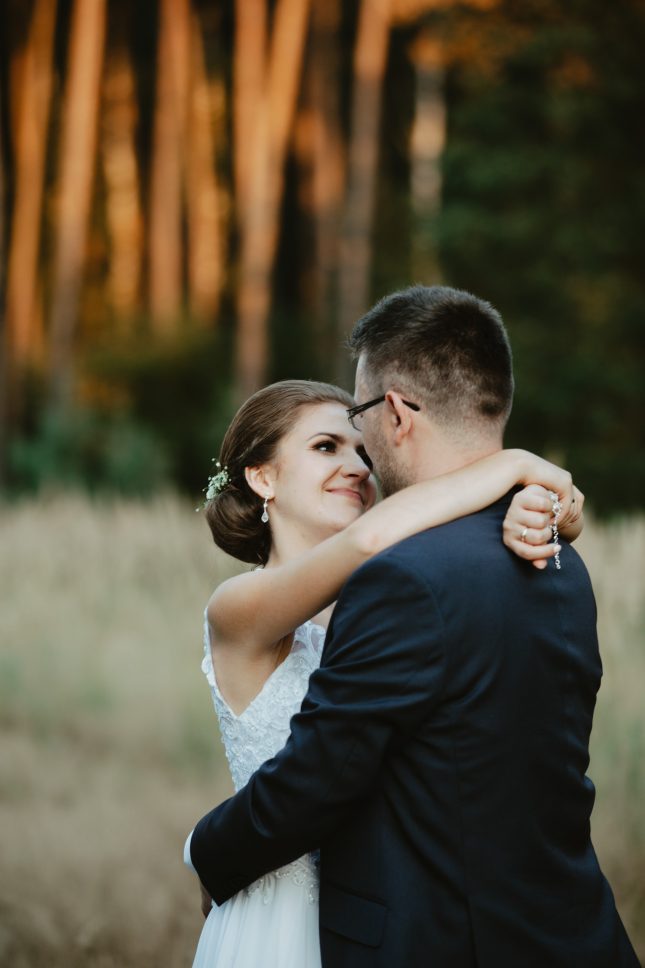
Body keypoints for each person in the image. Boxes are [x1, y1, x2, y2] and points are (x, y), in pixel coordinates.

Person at [185, 366, 586, 968]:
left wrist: (536, 506)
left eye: (362, 449)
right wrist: (512, 464)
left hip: (390, 915)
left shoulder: (392, 599)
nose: (358, 466)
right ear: (262, 476)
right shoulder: (238, 608)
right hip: (277, 923)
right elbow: (368, 543)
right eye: (326, 447)